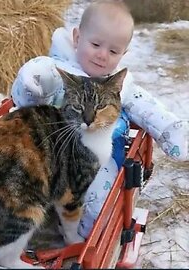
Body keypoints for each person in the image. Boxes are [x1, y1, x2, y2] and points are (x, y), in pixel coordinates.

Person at [11, 0, 188, 239]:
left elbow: (148, 108)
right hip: (48, 154)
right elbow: (34, 87)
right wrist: (32, 81)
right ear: (77, 38)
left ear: (123, 54)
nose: (103, 56)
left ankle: (85, 241)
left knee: (97, 201)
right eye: (95, 44)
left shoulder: (119, 84)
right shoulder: (59, 69)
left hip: (96, 157)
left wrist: (171, 129)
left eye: (113, 51)